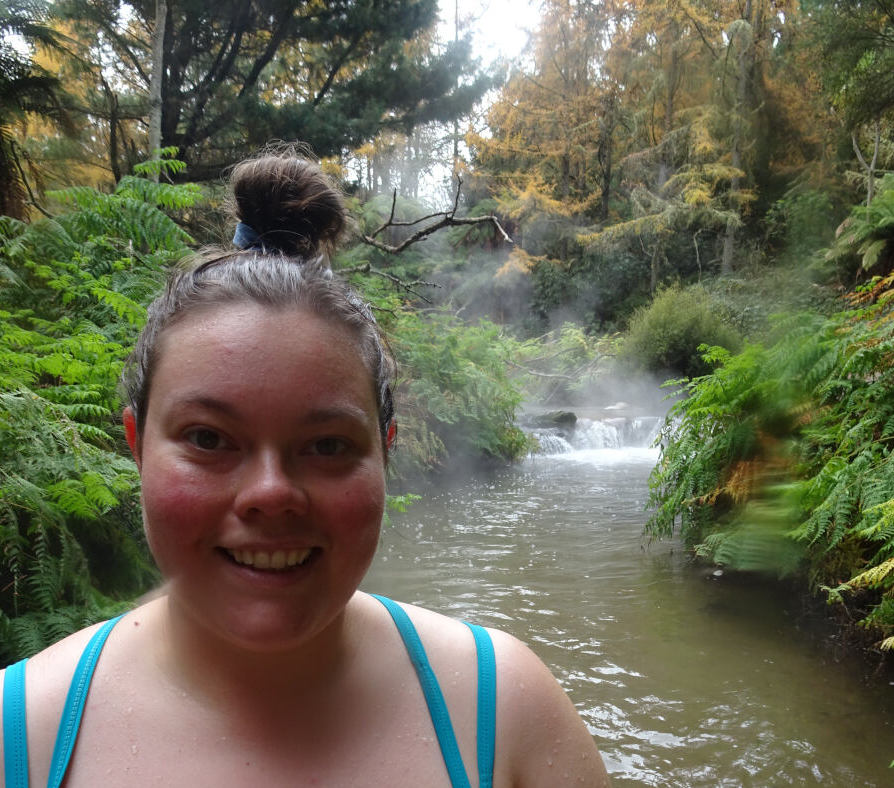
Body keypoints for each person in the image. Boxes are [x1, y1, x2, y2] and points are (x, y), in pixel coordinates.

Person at [0, 152, 610, 787]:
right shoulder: (18, 736)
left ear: (385, 450)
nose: (271, 494)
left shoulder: (505, 714)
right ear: (137, 445)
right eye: (210, 438)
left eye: (326, 446)